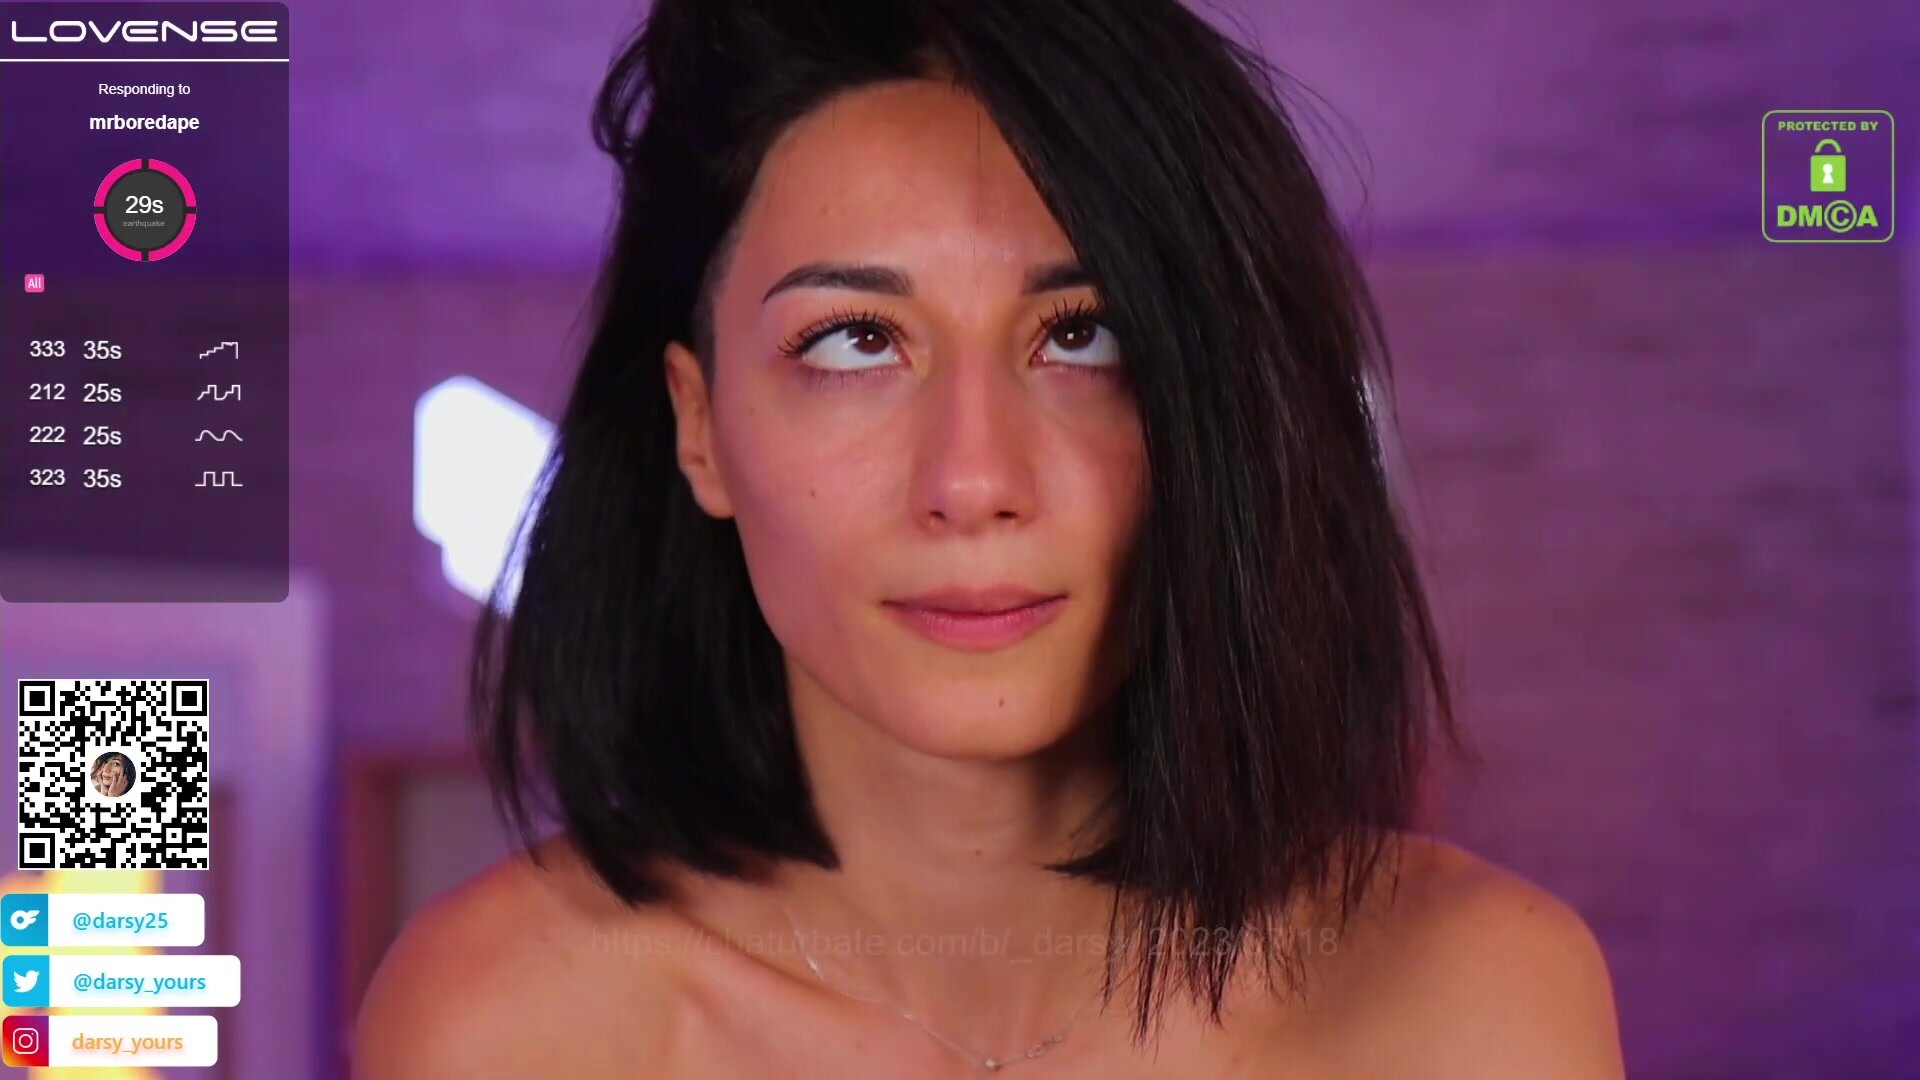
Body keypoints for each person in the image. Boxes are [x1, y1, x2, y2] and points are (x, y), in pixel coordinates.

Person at [355, 1, 1625, 1075]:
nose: (972, 481)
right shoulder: (508, 1025)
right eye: (855, 342)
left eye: (1082, 335)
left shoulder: (1471, 1000)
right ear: (701, 429)